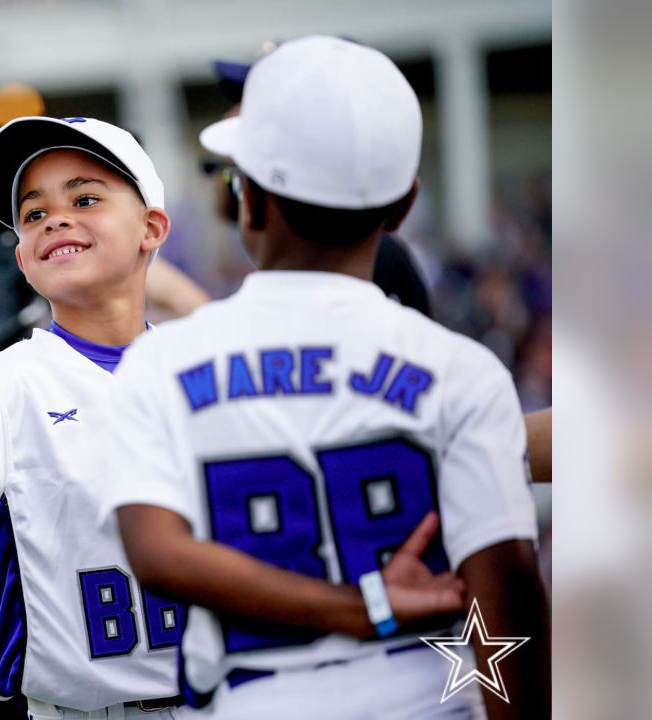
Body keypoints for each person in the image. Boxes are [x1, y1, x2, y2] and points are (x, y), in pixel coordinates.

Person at [0, 115, 465, 719]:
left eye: (86, 198)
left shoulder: (212, 372)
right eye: (32, 215)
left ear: (152, 228)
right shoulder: (1, 384)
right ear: (23, 261)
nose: (55, 219)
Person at [103, 36, 549, 719]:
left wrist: (358, 606)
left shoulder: (163, 361)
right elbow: (509, 604)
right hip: (430, 701)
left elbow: (157, 553)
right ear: (403, 208)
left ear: (247, 198)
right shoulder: (463, 371)